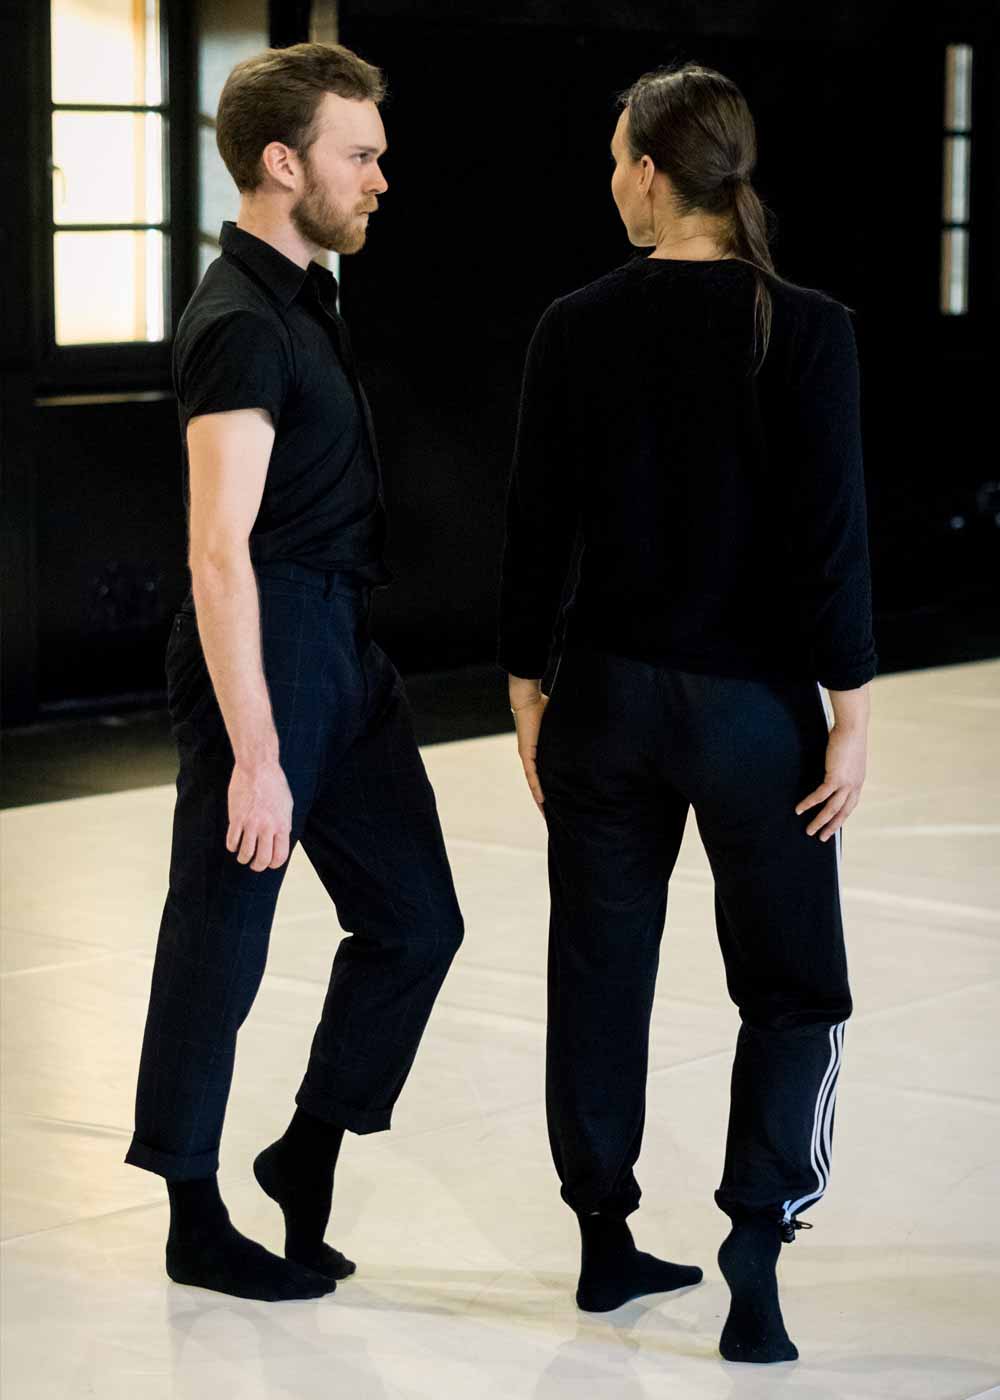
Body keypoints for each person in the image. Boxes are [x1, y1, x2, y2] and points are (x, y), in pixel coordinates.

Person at [497, 61, 876, 1364]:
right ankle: (755, 1252)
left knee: (598, 976)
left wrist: (525, 688)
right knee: (794, 992)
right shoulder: (808, 327)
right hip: (751, 716)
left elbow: (535, 531)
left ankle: (605, 1242)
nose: (611, 181)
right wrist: (854, 708)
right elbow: (834, 540)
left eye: (617, 160)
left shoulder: (576, 324)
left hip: (606, 699)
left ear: (655, 171)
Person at [125, 42, 464, 1302]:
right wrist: (255, 754)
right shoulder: (235, 321)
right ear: (285, 162)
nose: (381, 177)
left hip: (344, 649)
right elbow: (218, 553)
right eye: (359, 155)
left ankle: (304, 1148)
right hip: (264, 648)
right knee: (217, 944)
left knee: (418, 922)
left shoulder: (309, 295)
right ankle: (191, 1212)